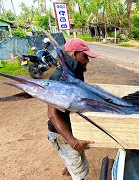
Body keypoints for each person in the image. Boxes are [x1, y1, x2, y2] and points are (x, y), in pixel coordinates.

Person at [47, 38, 98, 180]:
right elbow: (52, 114)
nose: (87, 60)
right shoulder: (59, 78)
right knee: (79, 170)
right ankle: (73, 169)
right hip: (62, 133)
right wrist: (73, 142)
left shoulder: (74, 72)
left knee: (73, 158)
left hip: (70, 128)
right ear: (74, 54)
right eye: (85, 56)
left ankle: (68, 167)